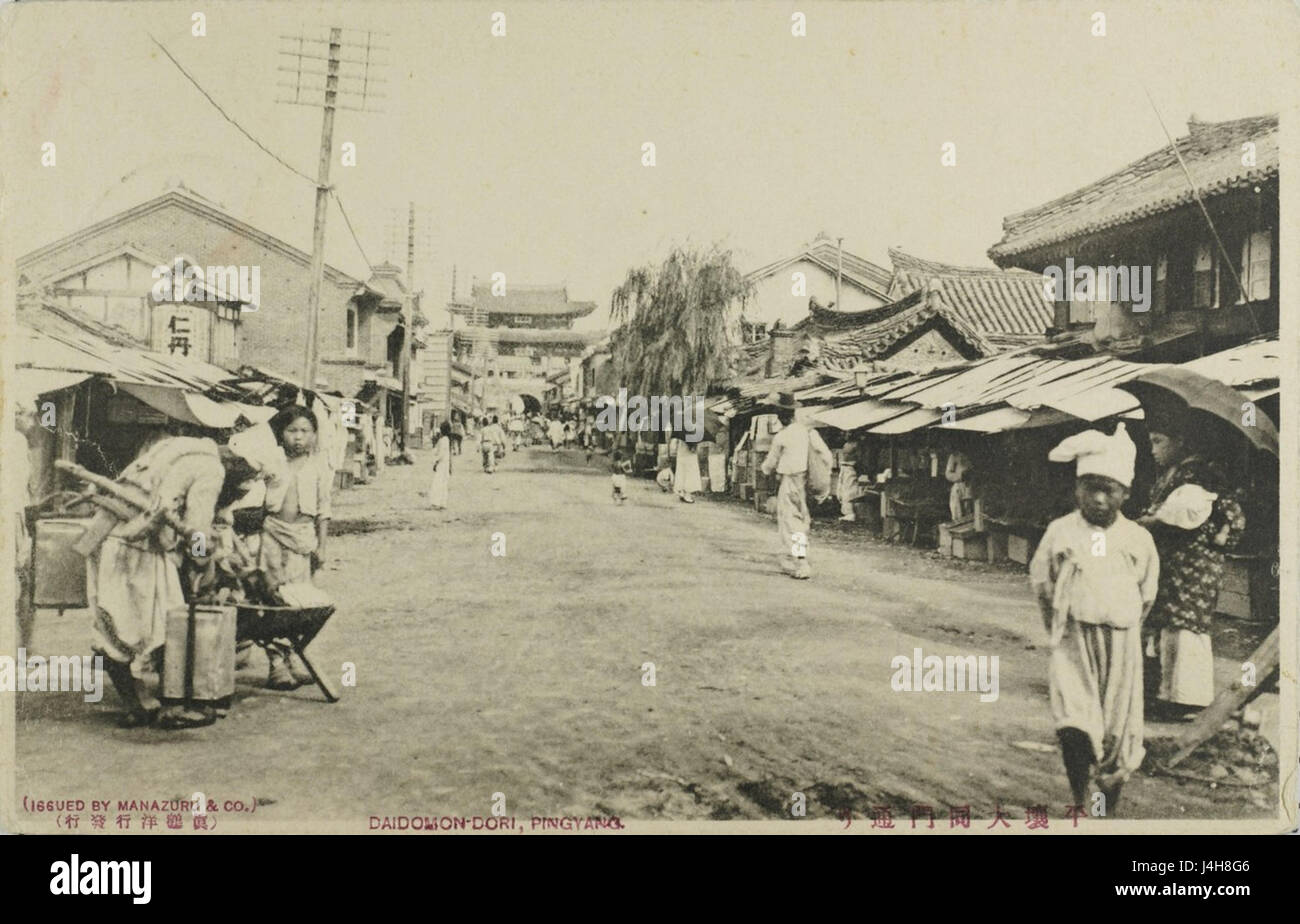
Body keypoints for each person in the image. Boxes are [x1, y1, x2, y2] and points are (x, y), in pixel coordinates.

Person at [88, 436, 265, 728]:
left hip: (108, 537)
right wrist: (204, 565)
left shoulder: (178, 445)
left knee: (113, 624)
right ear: (235, 463)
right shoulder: (212, 469)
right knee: (167, 624)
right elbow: (197, 531)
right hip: (138, 545)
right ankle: (181, 705)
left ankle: (137, 703)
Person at [1029, 424, 1158, 813]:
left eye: (1109, 489)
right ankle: (1079, 799)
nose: (1099, 498)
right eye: (1090, 487)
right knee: (1075, 723)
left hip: (1121, 644)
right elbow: (1042, 581)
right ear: (1076, 489)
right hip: (1074, 640)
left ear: (1126, 494)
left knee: (1118, 734)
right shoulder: (1061, 531)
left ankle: (1105, 808)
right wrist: (1061, 623)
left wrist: (1121, 619)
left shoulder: (1138, 538)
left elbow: (1147, 592)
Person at [1137, 412, 1247, 719]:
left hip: (1193, 567)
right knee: (1173, 625)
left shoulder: (1196, 476)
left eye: (1159, 441)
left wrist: (1150, 521)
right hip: (1180, 566)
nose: (1153, 449)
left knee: (1185, 627)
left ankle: (1187, 699)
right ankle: (1169, 695)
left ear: (1181, 442)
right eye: (1151, 442)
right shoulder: (1178, 474)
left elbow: (1180, 516)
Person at [260, 406, 333, 691]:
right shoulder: (272, 462)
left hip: (303, 538)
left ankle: (292, 657)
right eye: (292, 431)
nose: (298, 438)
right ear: (281, 433)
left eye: (305, 431)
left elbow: (324, 509)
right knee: (276, 599)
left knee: (301, 601)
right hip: (272, 536)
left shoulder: (319, 467)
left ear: (314, 435)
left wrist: (321, 546)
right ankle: (276, 664)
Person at [760, 395, 833, 580]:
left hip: (791, 482)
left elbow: (769, 464)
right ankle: (792, 557)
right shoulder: (810, 433)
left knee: (791, 523)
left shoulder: (782, 436)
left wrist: (766, 470)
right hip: (809, 483)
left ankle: (801, 562)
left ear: (781, 416)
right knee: (802, 521)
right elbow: (826, 456)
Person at [945, 450, 973, 522]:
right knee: (957, 513)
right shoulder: (954, 456)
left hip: (970, 487)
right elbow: (948, 474)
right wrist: (960, 476)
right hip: (959, 487)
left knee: (969, 513)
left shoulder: (974, 454)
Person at [838, 436, 861, 521]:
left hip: (851, 467)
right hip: (845, 466)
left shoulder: (856, 444)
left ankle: (850, 513)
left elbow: (857, 457)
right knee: (842, 490)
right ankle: (846, 512)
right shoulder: (847, 444)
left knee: (849, 490)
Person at [430, 421, 452, 509]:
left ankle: (436, 502)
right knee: (444, 483)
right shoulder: (447, 440)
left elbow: (440, 454)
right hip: (446, 464)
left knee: (437, 482)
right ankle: (443, 502)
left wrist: (435, 461)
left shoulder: (442, 440)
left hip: (441, 464)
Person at [673, 436, 702, 503]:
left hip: (681, 451)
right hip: (688, 453)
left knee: (682, 471)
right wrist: (694, 446)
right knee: (690, 473)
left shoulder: (680, 427)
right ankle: (687, 494)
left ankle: (682, 491)